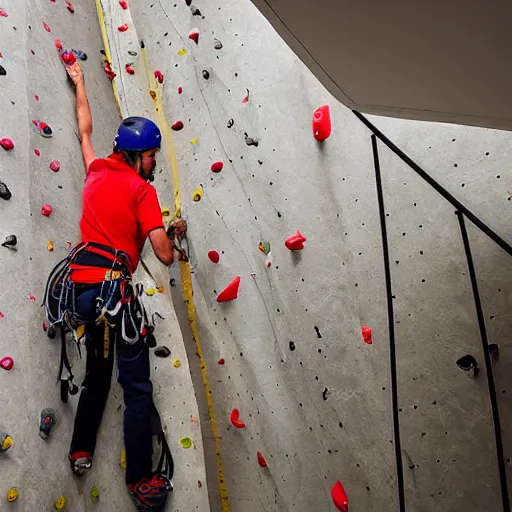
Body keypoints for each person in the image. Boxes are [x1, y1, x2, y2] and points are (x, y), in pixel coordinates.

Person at [61, 59, 184, 510]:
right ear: (137, 156)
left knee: (98, 372)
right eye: (152, 156)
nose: (154, 164)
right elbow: (164, 254)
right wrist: (168, 231)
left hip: (82, 289)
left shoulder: (96, 170)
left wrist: (79, 83)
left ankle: (80, 450)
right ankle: (138, 481)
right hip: (116, 292)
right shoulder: (142, 191)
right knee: (136, 388)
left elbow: (85, 131)